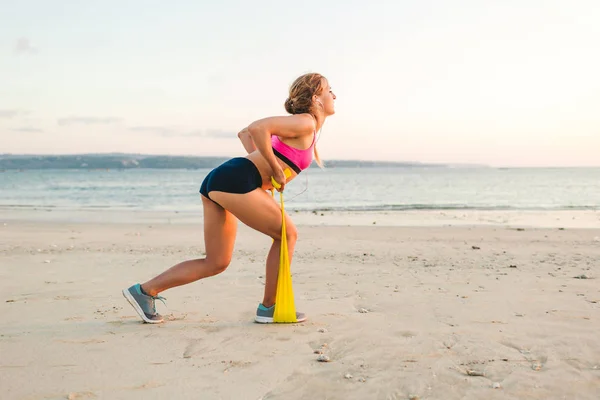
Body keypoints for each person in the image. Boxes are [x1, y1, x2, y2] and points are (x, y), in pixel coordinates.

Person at [122, 72, 336, 324]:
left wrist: (268, 168)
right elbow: (257, 128)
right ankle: (270, 307)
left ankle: (144, 292)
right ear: (316, 98)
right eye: (329, 90)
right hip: (235, 179)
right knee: (287, 234)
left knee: (216, 262)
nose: (334, 95)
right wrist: (275, 169)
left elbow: (244, 134)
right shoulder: (306, 122)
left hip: (223, 179)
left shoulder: (304, 128)